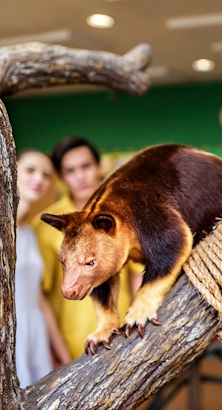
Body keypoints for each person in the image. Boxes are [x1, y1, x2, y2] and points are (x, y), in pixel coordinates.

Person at [33, 137, 143, 359]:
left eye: (85, 166)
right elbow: (39, 296)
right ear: (62, 178)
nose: (80, 176)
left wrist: (138, 328)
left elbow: (137, 274)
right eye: (70, 171)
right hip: (70, 344)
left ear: (99, 166)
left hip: (121, 335)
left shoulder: (123, 216)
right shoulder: (46, 226)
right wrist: (56, 354)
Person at [15, 149, 71, 388]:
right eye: (30, 170)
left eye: (46, 174)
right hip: (11, 333)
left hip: (35, 332)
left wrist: (65, 358)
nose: (39, 179)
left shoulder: (29, 233)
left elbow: (39, 299)